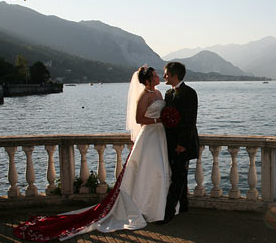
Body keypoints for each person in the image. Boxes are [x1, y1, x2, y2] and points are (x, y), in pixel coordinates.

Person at [14, 66, 177, 241]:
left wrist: (166, 119)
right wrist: (157, 119)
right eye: (154, 75)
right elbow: (139, 119)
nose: (158, 76)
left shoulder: (160, 93)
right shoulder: (143, 96)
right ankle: (145, 207)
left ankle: (157, 208)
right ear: (147, 80)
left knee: (160, 171)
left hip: (160, 136)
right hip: (149, 137)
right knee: (149, 171)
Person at [161, 62, 200, 223]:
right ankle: (183, 206)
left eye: (166, 74)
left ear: (174, 75)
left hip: (182, 144)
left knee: (178, 176)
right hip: (170, 141)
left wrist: (182, 144)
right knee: (179, 175)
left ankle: (167, 213)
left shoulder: (189, 93)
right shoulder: (169, 93)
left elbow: (189, 121)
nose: (164, 76)